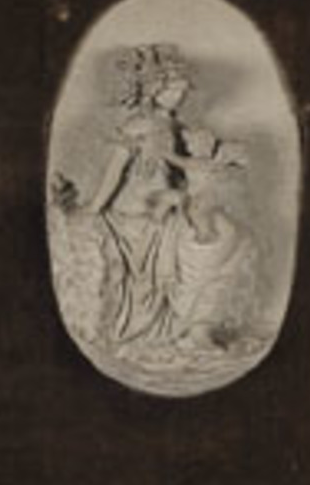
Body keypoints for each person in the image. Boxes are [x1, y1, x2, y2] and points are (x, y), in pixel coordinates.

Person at [50, 43, 263, 382]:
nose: (180, 95)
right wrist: (93, 208)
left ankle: (197, 326)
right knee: (205, 246)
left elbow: (185, 172)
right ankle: (189, 326)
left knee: (228, 239)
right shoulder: (138, 125)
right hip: (138, 217)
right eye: (173, 88)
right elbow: (115, 172)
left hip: (168, 210)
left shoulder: (176, 128)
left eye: (183, 89)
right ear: (154, 89)